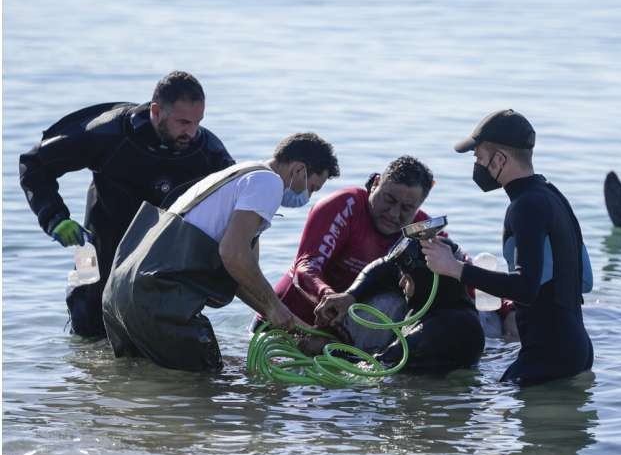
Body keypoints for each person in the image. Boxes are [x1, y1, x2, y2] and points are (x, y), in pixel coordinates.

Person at [19, 71, 235, 338]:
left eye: (197, 122)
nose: (191, 132)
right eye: (182, 122)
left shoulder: (208, 152)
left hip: (161, 259)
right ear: (156, 111)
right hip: (96, 245)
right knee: (86, 327)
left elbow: (237, 206)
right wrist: (54, 218)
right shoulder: (108, 132)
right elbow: (34, 163)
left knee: (158, 335)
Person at [102, 133, 340, 372]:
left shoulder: (241, 174)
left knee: (141, 379)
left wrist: (295, 326)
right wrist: (274, 307)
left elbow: (239, 277)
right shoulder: (268, 183)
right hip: (159, 297)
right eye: (312, 187)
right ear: (298, 169)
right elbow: (233, 253)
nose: (308, 197)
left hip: (123, 291)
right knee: (209, 386)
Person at [421, 109, 594, 386]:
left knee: (486, 412)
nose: (477, 165)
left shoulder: (525, 207)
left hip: (548, 355)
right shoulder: (554, 197)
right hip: (576, 349)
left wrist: (454, 268)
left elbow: (526, 288)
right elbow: (584, 280)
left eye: (479, 157)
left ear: (500, 159)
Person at [251, 156, 440, 352]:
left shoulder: (422, 229)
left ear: (419, 205)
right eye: (388, 200)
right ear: (376, 183)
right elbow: (306, 266)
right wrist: (329, 295)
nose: (393, 213)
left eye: (407, 208)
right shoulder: (344, 204)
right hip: (283, 325)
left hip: (340, 341)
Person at [314, 235, 485, 373]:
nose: (401, 283)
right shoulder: (450, 301)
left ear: (427, 283)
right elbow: (385, 267)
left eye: (407, 278)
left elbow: (378, 364)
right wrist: (350, 296)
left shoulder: (444, 329)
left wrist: (325, 349)